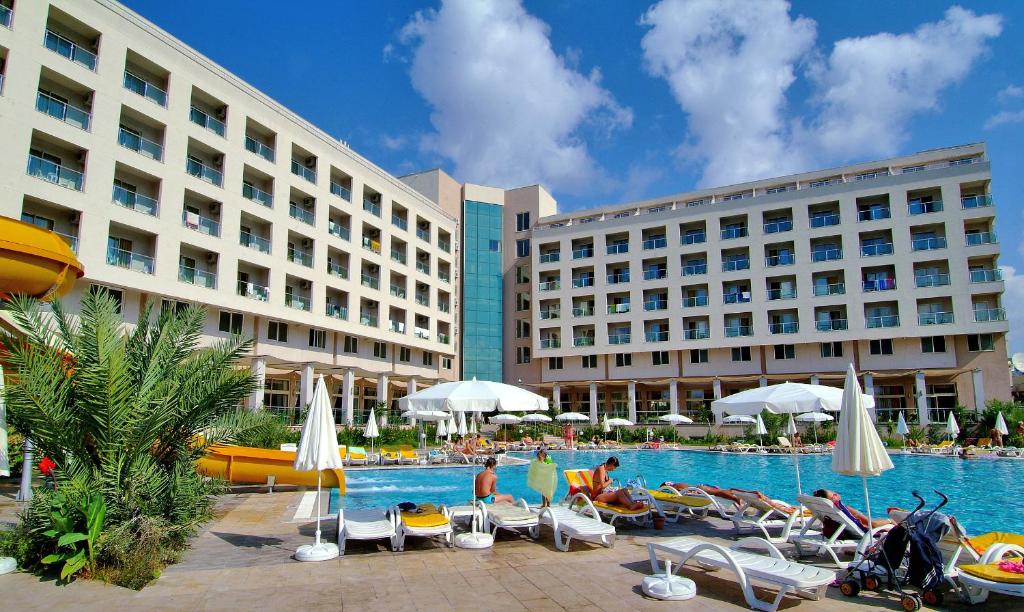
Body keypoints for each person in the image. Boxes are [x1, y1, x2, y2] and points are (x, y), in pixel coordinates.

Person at [813, 489, 891, 539]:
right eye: (834, 494)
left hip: (845, 531)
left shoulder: (828, 510)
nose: (836, 493)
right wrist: (889, 520)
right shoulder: (843, 508)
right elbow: (873, 524)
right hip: (862, 533)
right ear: (833, 499)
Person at [660, 481, 742, 504]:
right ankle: (736, 493)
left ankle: (735, 498)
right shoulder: (677, 484)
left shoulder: (676, 486)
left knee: (718, 492)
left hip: (699, 489)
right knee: (718, 491)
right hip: (700, 487)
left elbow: (684, 491)